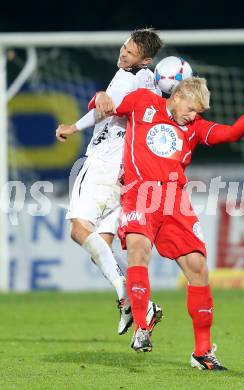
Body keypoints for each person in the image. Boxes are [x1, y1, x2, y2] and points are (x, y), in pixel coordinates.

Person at [107, 77, 244, 369]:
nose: (193, 116)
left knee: (198, 268)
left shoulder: (195, 128)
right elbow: (106, 108)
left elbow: (232, 134)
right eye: (190, 109)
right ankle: (141, 327)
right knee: (137, 249)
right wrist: (97, 98)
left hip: (175, 201)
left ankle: (202, 352)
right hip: (139, 193)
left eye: (198, 111)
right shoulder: (142, 102)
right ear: (176, 96)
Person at [55, 28, 164, 335]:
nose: (124, 52)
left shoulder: (136, 78)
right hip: (123, 170)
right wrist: (100, 99)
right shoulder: (140, 78)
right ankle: (144, 305)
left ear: (145, 60)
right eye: (125, 45)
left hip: (103, 163)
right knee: (100, 247)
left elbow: (106, 107)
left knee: (78, 229)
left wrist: (74, 126)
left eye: (131, 50)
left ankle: (126, 300)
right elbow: (108, 104)